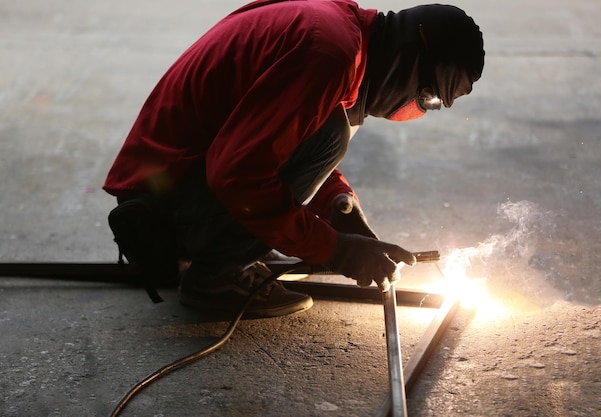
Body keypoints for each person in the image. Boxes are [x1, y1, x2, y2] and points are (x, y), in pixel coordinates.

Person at [104, 0, 484, 317]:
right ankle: (216, 276)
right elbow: (239, 174)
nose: (420, 108)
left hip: (173, 185)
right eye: (430, 97)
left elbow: (275, 137)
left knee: (331, 130)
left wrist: (337, 207)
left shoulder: (340, 31)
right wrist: (336, 249)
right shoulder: (328, 55)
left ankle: (233, 244)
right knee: (333, 135)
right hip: (161, 211)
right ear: (409, 57)